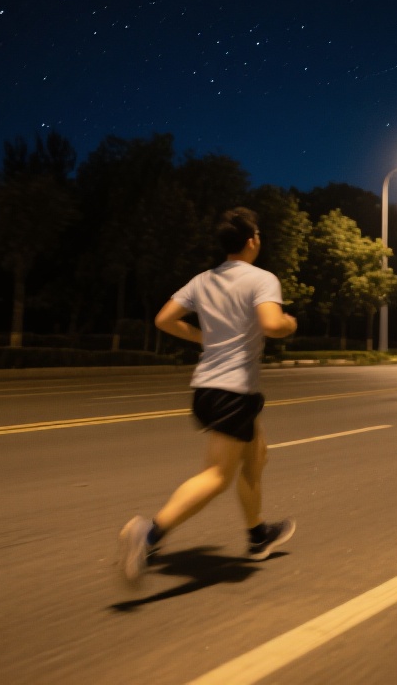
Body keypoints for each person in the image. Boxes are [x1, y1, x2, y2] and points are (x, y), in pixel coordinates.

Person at [117, 208, 298, 586]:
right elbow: (271, 324)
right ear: (251, 241)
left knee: (256, 456)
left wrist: (203, 338)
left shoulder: (202, 280)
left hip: (208, 387)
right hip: (233, 391)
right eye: (259, 234)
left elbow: (164, 319)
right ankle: (148, 535)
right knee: (216, 476)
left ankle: (257, 536)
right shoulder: (261, 279)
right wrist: (290, 323)